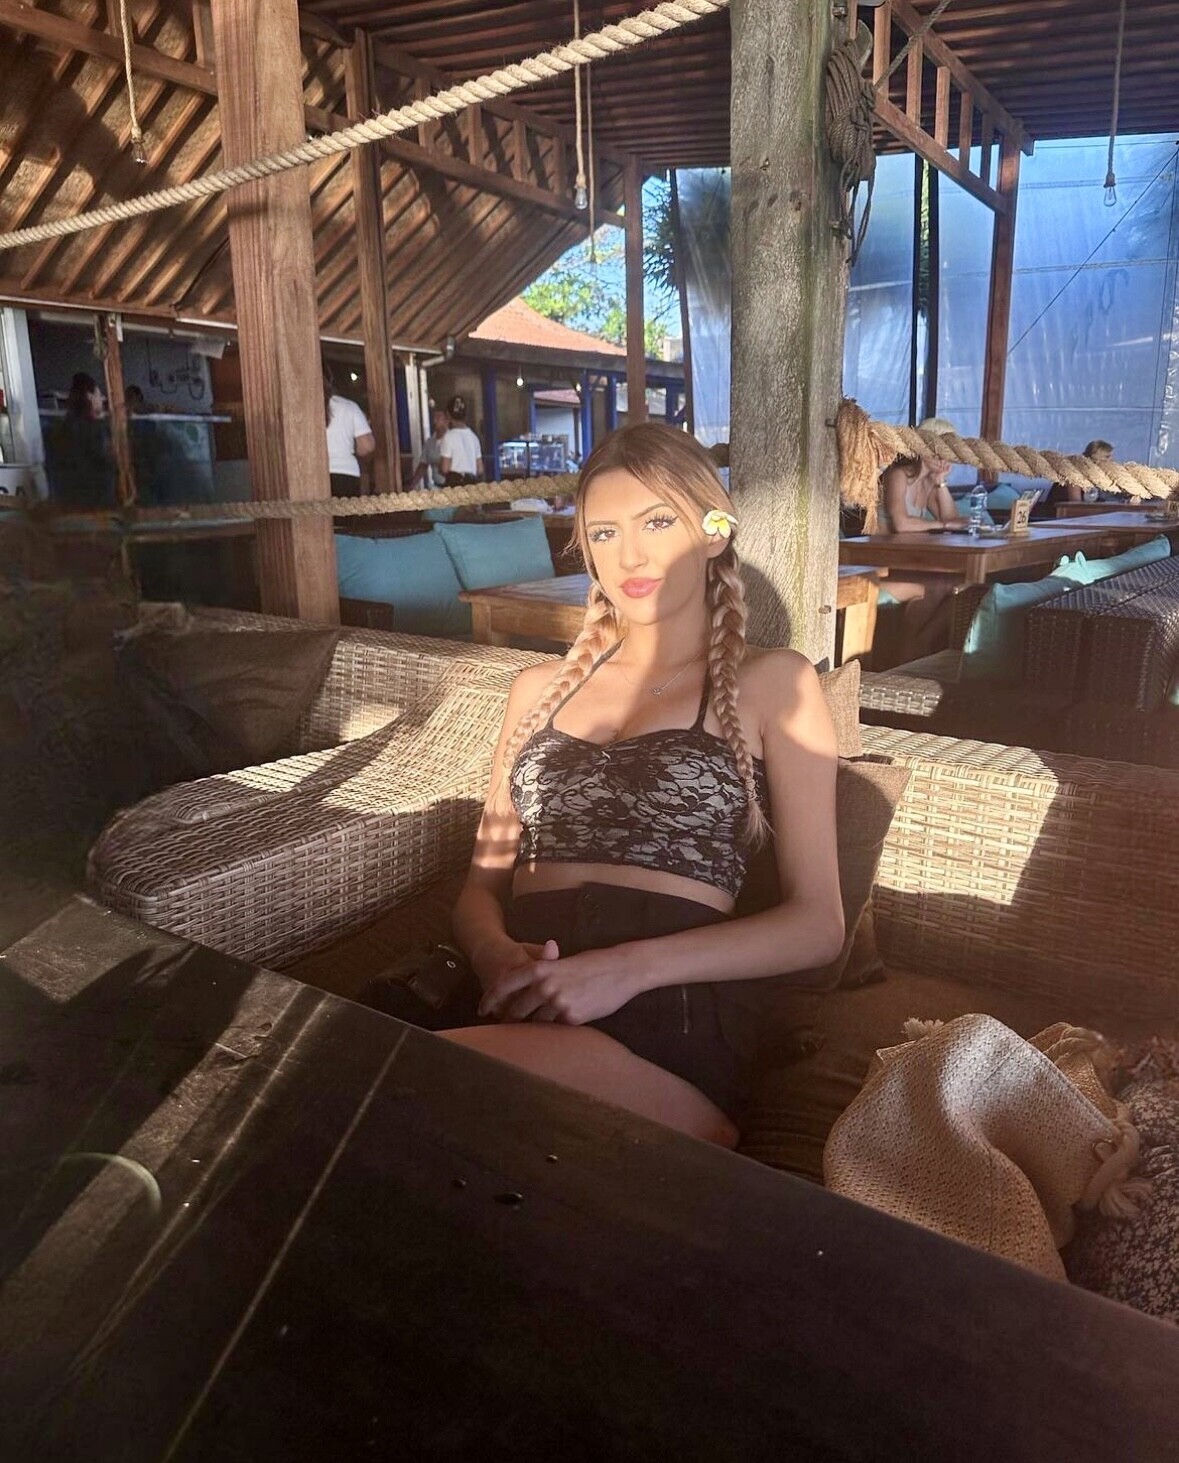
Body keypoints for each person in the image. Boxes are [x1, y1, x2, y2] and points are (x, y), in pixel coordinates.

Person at [437, 422, 844, 1148]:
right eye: (604, 532)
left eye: (657, 522)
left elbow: (818, 924)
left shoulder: (774, 682)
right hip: (522, 996)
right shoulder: (536, 689)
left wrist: (623, 970)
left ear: (713, 533)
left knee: (400, 1089)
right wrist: (494, 953)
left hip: (668, 1009)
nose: (629, 555)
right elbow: (480, 887)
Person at [46, 371, 116, 507]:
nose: (101, 399)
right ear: (90, 396)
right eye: (99, 395)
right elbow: (104, 463)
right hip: (95, 502)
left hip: (66, 502)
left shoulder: (58, 428)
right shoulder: (96, 430)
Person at [324, 369, 376, 497]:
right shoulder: (349, 406)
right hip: (345, 472)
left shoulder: (302, 410)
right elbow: (367, 446)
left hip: (311, 474)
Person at [1036, 439, 1112, 516]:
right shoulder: (1075, 474)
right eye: (1107, 457)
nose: (1111, 460)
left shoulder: (1095, 477)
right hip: (1054, 517)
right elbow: (1075, 507)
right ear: (1097, 459)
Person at [438, 395, 484, 485]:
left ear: (448, 415)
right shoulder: (474, 437)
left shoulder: (448, 437)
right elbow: (480, 469)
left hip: (455, 485)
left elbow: (445, 468)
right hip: (471, 485)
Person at [408, 406, 449, 489]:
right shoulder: (429, 443)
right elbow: (423, 465)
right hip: (436, 487)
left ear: (447, 421)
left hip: (454, 488)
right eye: (434, 417)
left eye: (438, 417)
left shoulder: (453, 440)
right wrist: (412, 485)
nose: (434, 421)